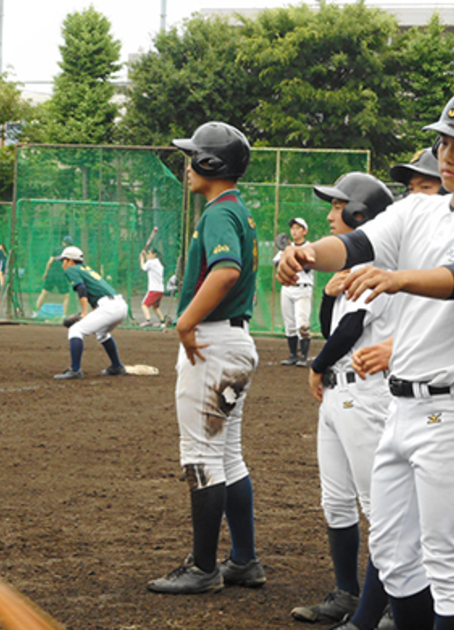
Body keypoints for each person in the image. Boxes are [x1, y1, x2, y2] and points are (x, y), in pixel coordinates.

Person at [277, 89, 454, 630]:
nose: (447, 154)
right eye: (444, 140)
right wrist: (306, 253)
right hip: (399, 409)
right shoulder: (418, 209)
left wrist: (401, 278)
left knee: (449, 565)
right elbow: (350, 247)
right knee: (396, 564)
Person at [147, 121, 265, 595]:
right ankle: (243, 560)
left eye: (192, 155)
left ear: (210, 164)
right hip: (235, 343)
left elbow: (226, 271)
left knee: (201, 457)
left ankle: (203, 568)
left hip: (213, 345)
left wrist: (183, 322)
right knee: (228, 457)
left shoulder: (217, 212)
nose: (186, 163)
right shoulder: (238, 210)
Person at [290, 173, 394, 626]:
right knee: (335, 500)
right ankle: (347, 593)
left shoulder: (383, 261)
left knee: (377, 505)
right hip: (338, 391)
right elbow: (335, 325)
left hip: (365, 392)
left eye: (337, 207)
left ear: (360, 215)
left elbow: (351, 332)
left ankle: (393, 602)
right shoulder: (348, 268)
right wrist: (328, 296)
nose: (330, 215)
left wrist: (315, 364)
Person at [53, 245, 128, 380]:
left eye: (63, 260)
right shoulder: (86, 270)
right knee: (101, 333)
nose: (62, 264)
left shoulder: (72, 269)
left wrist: (83, 313)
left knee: (75, 331)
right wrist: (89, 316)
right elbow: (96, 299)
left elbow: (82, 289)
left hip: (110, 306)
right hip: (120, 306)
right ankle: (117, 366)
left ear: (71, 260)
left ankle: (75, 370)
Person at [273, 218, 314, 367]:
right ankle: (293, 355)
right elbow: (278, 264)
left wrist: (292, 252)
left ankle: (304, 357)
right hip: (287, 289)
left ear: (305, 231)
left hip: (303, 289)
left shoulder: (309, 247)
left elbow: (307, 266)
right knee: (289, 325)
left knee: (302, 323)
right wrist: (286, 250)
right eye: (293, 228)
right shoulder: (285, 249)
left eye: (298, 228)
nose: (294, 231)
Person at [35, 235, 73, 317]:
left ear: (63, 243)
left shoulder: (57, 250)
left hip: (51, 274)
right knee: (66, 296)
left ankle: (36, 313)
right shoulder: (71, 253)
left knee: (43, 294)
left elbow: (49, 262)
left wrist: (45, 273)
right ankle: (64, 315)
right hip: (62, 275)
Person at [139, 247, 167, 327]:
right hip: (160, 290)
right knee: (155, 307)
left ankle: (148, 320)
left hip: (154, 289)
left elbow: (143, 267)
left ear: (154, 255)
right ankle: (162, 322)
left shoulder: (151, 262)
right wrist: (144, 256)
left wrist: (142, 258)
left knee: (144, 305)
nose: (148, 255)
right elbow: (147, 262)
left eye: (150, 253)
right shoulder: (158, 262)